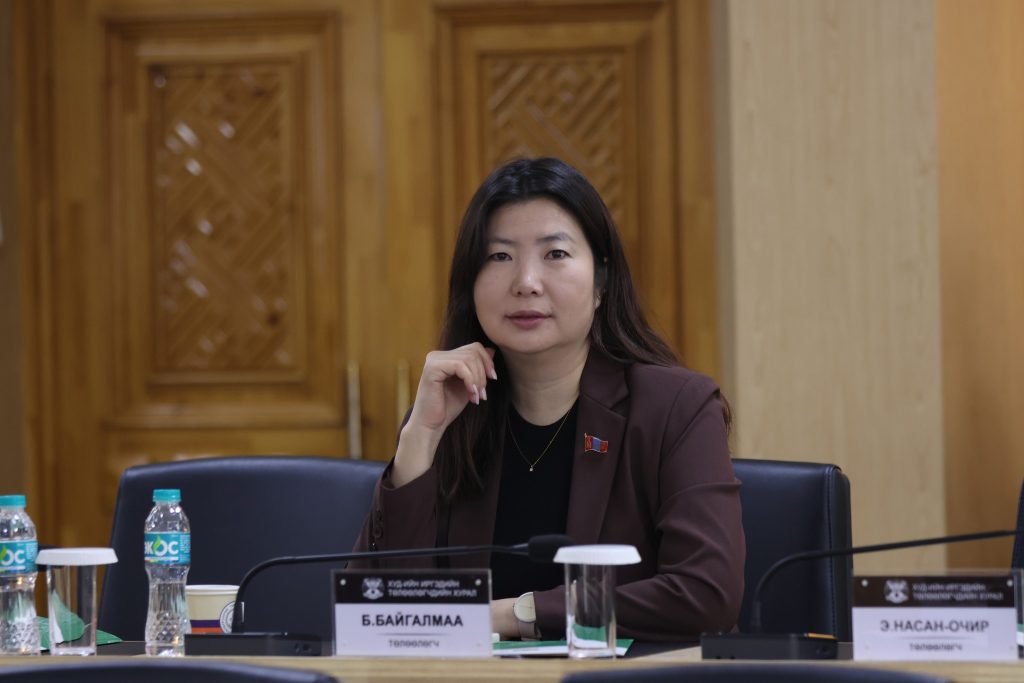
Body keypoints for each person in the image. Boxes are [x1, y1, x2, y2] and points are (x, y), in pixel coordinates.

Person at [352, 157, 744, 641]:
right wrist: (419, 440)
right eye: (499, 257)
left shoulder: (676, 408)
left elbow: (707, 594)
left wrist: (520, 613)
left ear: (601, 283)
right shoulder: (450, 415)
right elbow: (373, 613)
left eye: (555, 254)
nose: (526, 282)